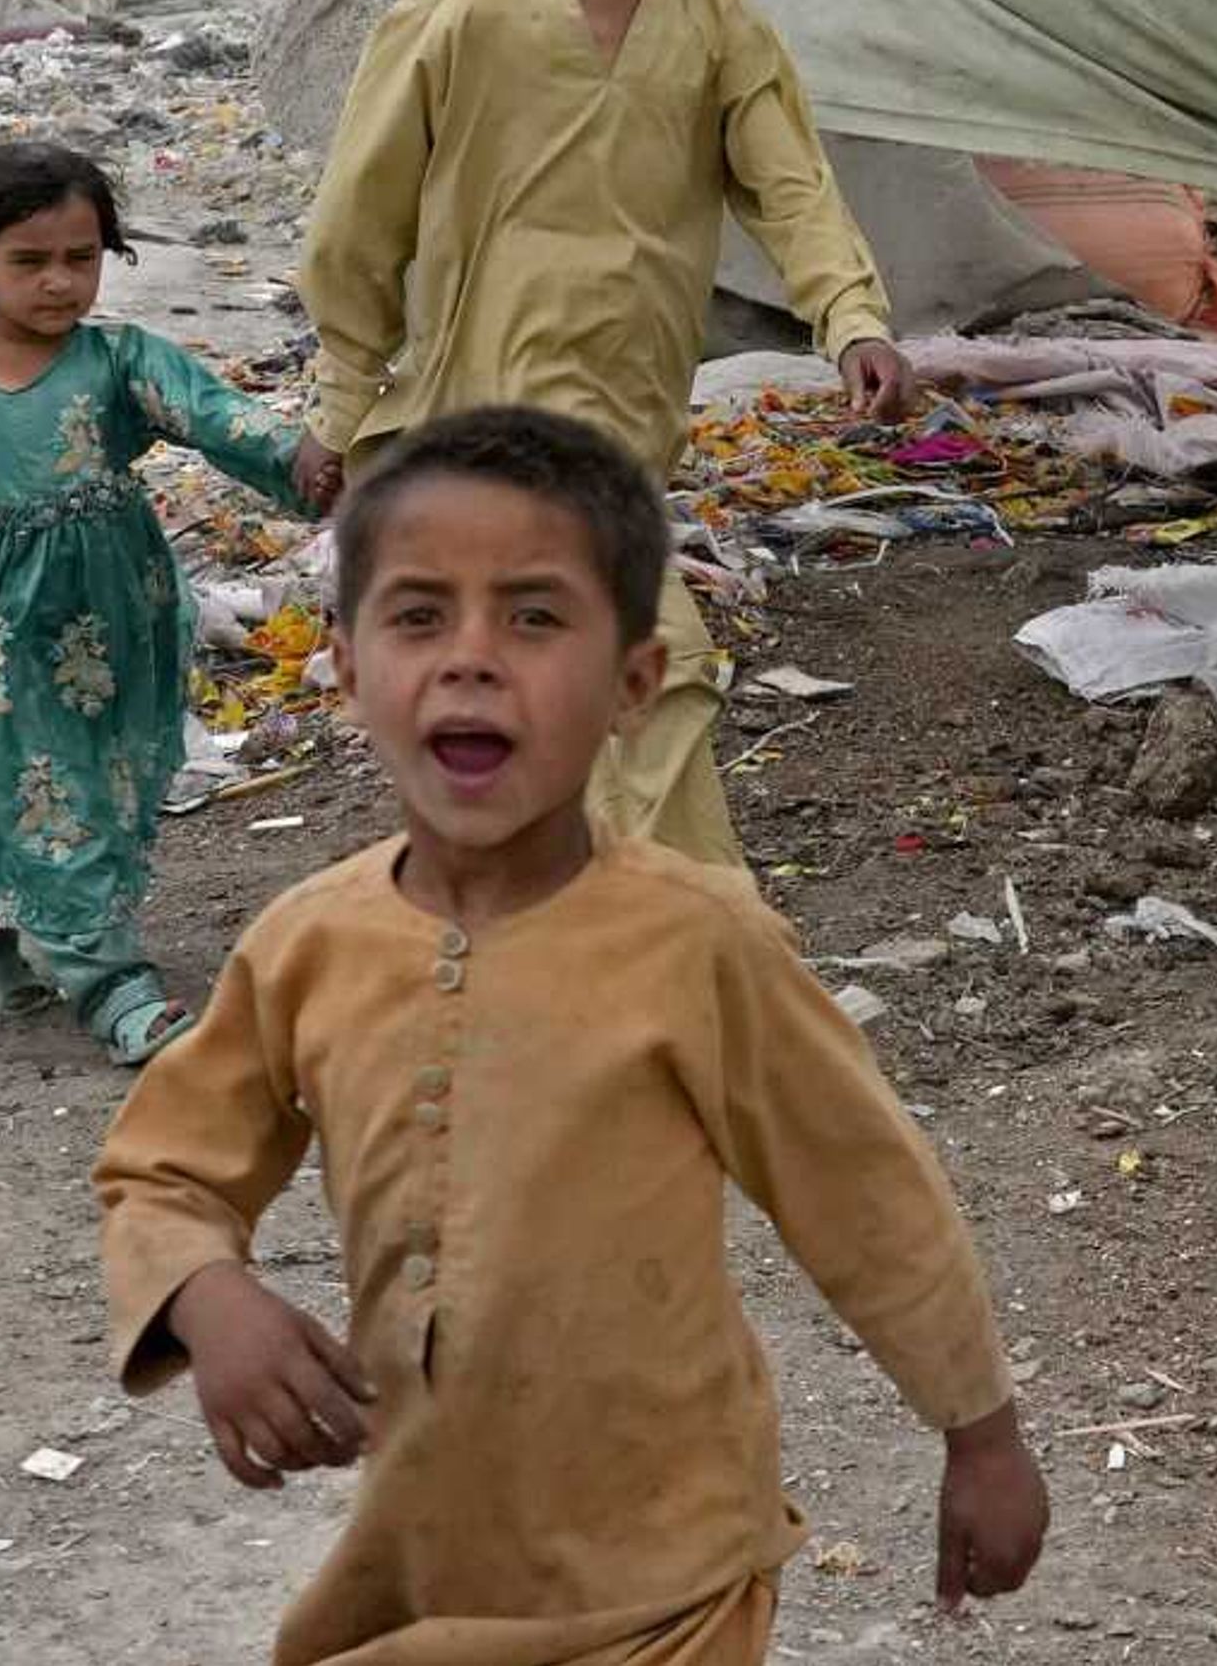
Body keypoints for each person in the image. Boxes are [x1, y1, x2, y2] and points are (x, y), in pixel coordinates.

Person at [94, 408, 1047, 1665]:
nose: (472, 659)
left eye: (536, 617)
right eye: (420, 614)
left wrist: (981, 1431)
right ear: (343, 663)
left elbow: (864, 1191)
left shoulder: (697, 941)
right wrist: (205, 1295)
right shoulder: (304, 943)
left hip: (665, 1567)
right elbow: (166, 1165)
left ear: (632, 684)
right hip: (424, 1555)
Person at [294, 0, 913, 867]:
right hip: (482, 428)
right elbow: (354, 231)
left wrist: (851, 320)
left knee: (552, 708)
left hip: (627, 427)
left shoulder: (724, 29)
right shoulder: (454, 22)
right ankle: (698, 960)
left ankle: (548, 966)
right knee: (651, 678)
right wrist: (340, 401)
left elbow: (793, 189)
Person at [0, 143, 339, 1066]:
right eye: (30, 261)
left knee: (88, 780)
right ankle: (113, 986)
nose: (58, 283)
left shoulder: (119, 361)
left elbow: (214, 414)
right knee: (41, 784)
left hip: (112, 620)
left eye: (79, 259)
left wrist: (301, 457)